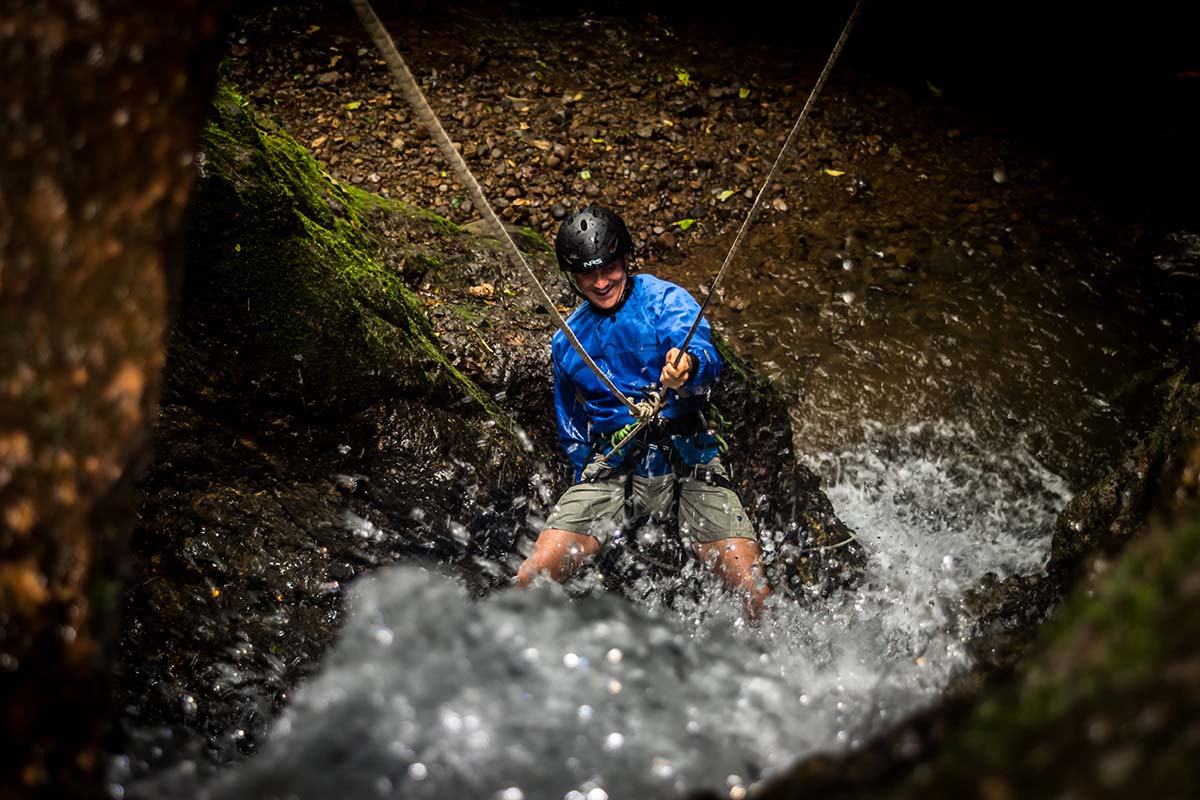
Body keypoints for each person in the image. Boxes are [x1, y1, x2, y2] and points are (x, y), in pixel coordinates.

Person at [516, 205, 771, 619]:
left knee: (753, 592)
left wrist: (686, 367)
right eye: (588, 275)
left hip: (689, 457)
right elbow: (572, 432)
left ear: (626, 260)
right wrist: (587, 491)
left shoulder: (665, 301)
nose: (601, 283)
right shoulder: (567, 343)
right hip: (613, 466)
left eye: (610, 269)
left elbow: (705, 356)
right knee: (532, 578)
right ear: (572, 277)